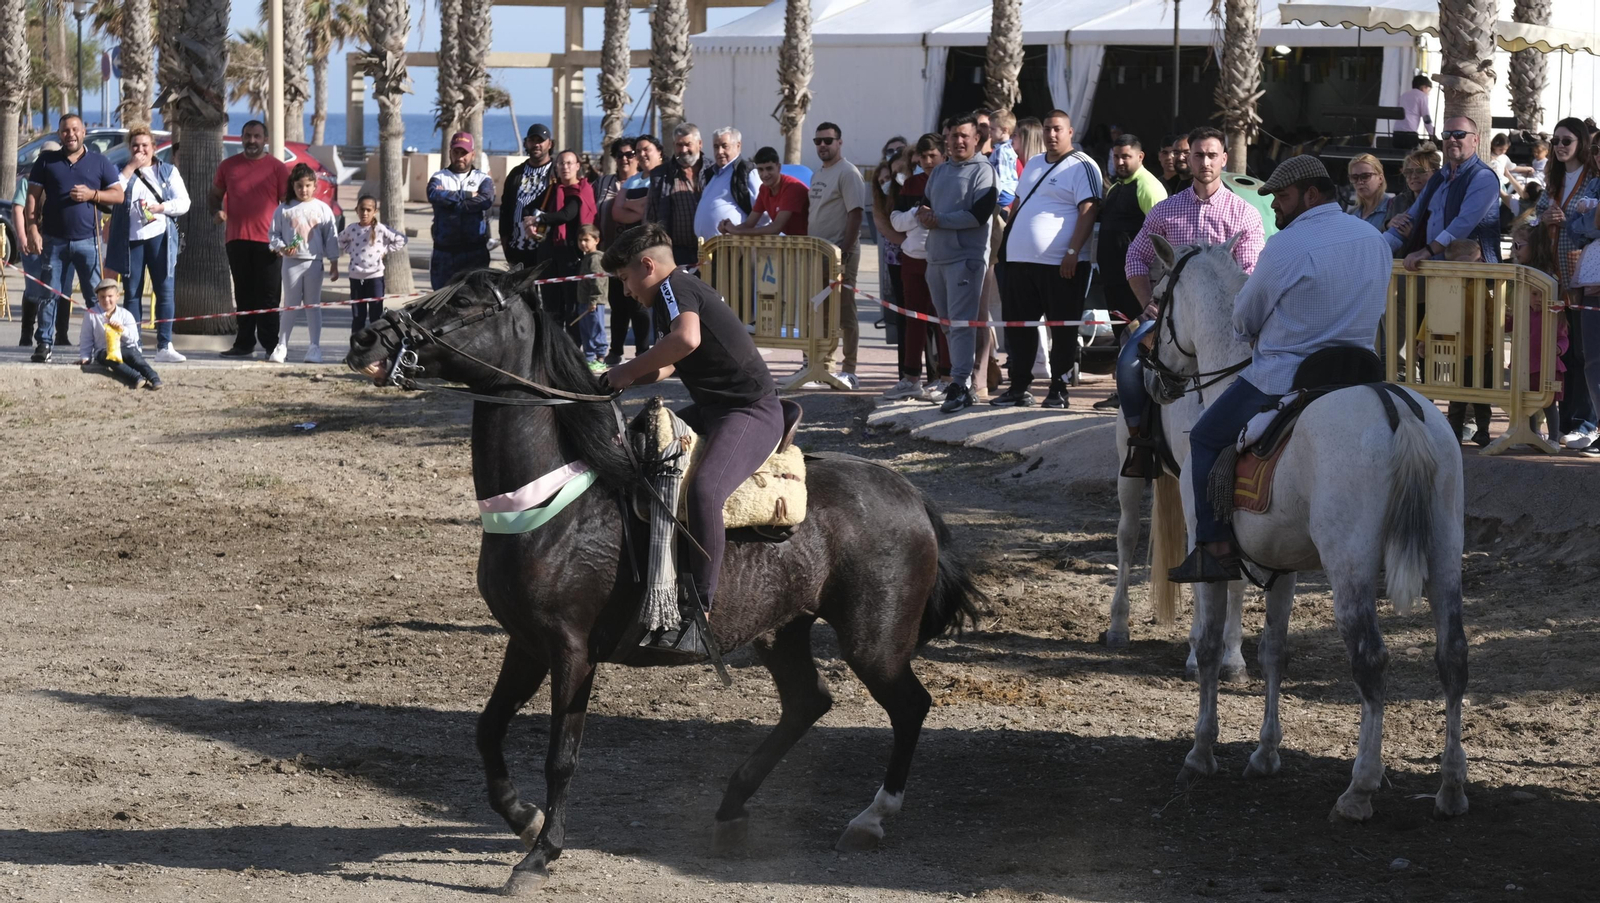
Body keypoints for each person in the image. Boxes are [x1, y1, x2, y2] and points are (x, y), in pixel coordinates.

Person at [1168, 156, 1392, 582]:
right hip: (1360, 375)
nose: (1275, 208)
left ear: (1311, 194)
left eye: (1283, 198)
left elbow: (1243, 318)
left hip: (1286, 378)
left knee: (1205, 437)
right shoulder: (1372, 238)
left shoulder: (1286, 246)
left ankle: (1213, 548)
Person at [600, 222, 782, 657]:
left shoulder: (672, 289)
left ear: (647, 265)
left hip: (748, 411)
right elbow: (673, 362)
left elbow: (686, 339)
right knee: (638, 447)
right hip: (716, 409)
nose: (625, 291)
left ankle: (700, 613)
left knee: (705, 492)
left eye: (625, 278)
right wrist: (615, 381)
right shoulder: (674, 291)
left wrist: (623, 372)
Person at [991, 109, 1103, 410]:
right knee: (1019, 327)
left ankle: (1059, 389)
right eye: (1047, 129)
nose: (1051, 134)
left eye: (1057, 129)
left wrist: (1072, 252)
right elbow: (1017, 203)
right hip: (1018, 263)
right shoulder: (1034, 164)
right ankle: (1019, 387)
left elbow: (1089, 210)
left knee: (1062, 330)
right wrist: (1005, 249)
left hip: (1061, 266)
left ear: (1071, 132)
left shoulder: (1083, 165)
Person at [1125, 127, 1265, 320]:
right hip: (1173, 319)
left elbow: (1251, 272)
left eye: (1212, 155)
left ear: (1224, 159)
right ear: (1189, 159)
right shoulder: (1165, 210)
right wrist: (1147, 302)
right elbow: (1135, 257)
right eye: (1198, 155)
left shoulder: (1245, 214)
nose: (1205, 163)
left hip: (1224, 319)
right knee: (1131, 346)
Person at [25, 114, 126, 363]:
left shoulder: (99, 162)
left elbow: (118, 195)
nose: (70, 134)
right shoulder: (46, 161)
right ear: (59, 134)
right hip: (53, 240)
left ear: (83, 133)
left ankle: (102, 346)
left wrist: (93, 194)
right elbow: (32, 197)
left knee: (96, 297)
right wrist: (32, 229)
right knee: (50, 294)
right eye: (65, 130)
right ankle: (44, 344)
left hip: (88, 242)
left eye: (75, 130)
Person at [919, 114, 998, 414]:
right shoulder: (938, 173)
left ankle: (962, 383)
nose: (959, 141)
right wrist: (924, 214)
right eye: (954, 136)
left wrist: (939, 220)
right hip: (935, 259)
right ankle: (959, 381)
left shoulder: (984, 172)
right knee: (948, 325)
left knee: (962, 324)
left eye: (965, 135)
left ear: (977, 138)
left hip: (965, 261)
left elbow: (978, 216)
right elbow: (924, 205)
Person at [1533, 118, 1600, 446]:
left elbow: (1591, 224)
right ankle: (1566, 422)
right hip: (1554, 273)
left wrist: (1569, 220)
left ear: (1581, 143)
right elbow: (1534, 215)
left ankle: (1585, 422)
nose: (1559, 146)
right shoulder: (1553, 179)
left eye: (1566, 140)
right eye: (1556, 140)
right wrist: (1543, 218)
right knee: (1563, 351)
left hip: (1583, 276)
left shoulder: (1593, 179)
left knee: (1584, 352)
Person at [1091, 134, 1168, 410]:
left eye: (1126, 156)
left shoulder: (1149, 187)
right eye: (1116, 157)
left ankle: (1147, 396)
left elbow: (1162, 239)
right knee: (1123, 337)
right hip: (1115, 282)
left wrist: (1151, 288)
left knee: (1142, 340)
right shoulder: (1115, 188)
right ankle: (1123, 391)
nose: (1120, 162)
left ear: (1140, 156)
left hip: (1139, 284)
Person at [106, 126, 189, 363]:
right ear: (129, 148)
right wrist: (130, 167)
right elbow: (113, 193)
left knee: (164, 290)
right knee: (132, 292)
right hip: (130, 240)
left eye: (145, 145)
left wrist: (161, 208)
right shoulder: (121, 171)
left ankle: (165, 345)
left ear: (153, 147)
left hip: (160, 236)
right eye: (135, 146)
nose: (140, 150)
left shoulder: (167, 171)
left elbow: (184, 202)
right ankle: (134, 344)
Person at [212, 119, 288, 359]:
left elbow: (288, 206)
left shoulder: (277, 168)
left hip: (269, 243)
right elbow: (214, 195)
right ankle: (244, 344)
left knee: (268, 296)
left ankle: (271, 346)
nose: (251, 141)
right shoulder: (228, 166)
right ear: (242, 138)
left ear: (265, 140)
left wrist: (288, 241)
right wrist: (216, 211)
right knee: (244, 295)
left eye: (256, 136)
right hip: (236, 240)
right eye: (247, 136)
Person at [1384, 116, 1503, 269]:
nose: (1452, 139)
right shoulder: (1438, 178)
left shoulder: (1483, 177)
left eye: (1459, 134)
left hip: (1473, 273)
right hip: (1436, 270)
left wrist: (1425, 252)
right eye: (1446, 135)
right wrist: (1376, 250)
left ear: (1475, 140)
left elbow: (1462, 224)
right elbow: (1410, 217)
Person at [889, 134, 954, 401]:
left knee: (944, 322)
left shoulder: (952, 181)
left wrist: (931, 217)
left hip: (942, 260)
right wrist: (917, 214)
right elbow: (896, 221)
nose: (927, 162)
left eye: (932, 156)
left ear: (944, 155)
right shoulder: (911, 184)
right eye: (923, 157)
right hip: (912, 260)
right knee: (913, 320)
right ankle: (911, 379)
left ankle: (948, 379)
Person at [808, 121, 868, 388]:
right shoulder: (818, 174)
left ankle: (850, 368)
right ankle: (824, 368)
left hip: (841, 254)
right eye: (818, 141)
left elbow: (856, 213)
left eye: (828, 141)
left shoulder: (848, 173)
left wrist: (844, 251)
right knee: (821, 311)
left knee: (845, 313)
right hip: (818, 254)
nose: (822, 145)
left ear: (839, 142)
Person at [269, 163, 340, 363]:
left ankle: (314, 348)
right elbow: (273, 234)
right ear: (293, 185)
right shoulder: (283, 209)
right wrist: (282, 247)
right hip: (291, 263)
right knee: (290, 305)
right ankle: (281, 346)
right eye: (300, 186)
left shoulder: (322, 209)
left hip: (314, 263)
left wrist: (334, 262)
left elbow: (331, 237)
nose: (304, 190)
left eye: (308, 185)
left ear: (315, 185)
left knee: (312, 305)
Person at [530, 150, 598, 345]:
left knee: (573, 305)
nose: (565, 167)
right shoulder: (553, 190)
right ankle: (552, 347)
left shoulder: (581, 190)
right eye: (561, 163)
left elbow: (566, 214)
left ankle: (574, 348)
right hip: (549, 253)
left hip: (572, 255)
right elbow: (530, 207)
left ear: (578, 166)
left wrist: (540, 218)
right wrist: (530, 223)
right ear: (556, 167)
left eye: (569, 163)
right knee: (551, 306)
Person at [1509, 221, 1566, 445]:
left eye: (1518, 245)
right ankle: (1530, 434)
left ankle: (1552, 436)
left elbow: (1562, 334)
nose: (1514, 250)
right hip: (1525, 360)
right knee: (1526, 401)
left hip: (1546, 363)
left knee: (1548, 401)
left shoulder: (1547, 282)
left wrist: (1559, 348)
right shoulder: (1521, 277)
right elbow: (1511, 322)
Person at [598, 137, 652, 364]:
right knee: (617, 304)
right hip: (611, 253)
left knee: (638, 305)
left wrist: (626, 206)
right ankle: (615, 351)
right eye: (619, 155)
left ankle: (642, 352)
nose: (625, 159)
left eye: (630, 154)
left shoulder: (645, 182)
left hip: (639, 254)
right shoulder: (602, 183)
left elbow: (643, 211)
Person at [426, 130, 495, 288]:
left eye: (464, 153)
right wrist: (468, 195)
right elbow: (433, 194)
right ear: (450, 152)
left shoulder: (482, 178)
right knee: (441, 304)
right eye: (456, 152)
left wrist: (450, 202)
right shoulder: (439, 177)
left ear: (473, 154)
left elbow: (486, 199)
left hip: (474, 254)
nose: (460, 157)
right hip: (444, 255)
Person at [338, 194, 408, 336]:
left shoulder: (380, 229)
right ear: (356, 210)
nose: (365, 213)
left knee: (376, 316)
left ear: (374, 211)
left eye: (368, 210)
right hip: (356, 277)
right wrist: (350, 250)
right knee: (358, 316)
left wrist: (385, 250)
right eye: (362, 209)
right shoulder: (352, 229)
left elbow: (401, 239)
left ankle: (376, 350)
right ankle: (356, 350)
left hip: (375, 277)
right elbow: (340, 240)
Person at [648, 123, 713, 266]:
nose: (683, 150)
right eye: (679, 145)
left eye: (688, 144)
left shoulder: (714, 172)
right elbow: (651, 215)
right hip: (677, 254)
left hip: (711, 250)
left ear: (700, 144)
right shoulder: (661, 175)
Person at [79, 278, 161, 390]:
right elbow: (86, 337)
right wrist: (85, 356)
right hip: (103, 351)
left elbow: (134, 339)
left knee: (134, 356)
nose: (106, 300)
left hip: (125, 348)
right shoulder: (91, 314)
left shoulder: (125, 314)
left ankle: (154, 378)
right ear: (97, 297)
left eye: (110, 296)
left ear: (117, 296)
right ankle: (136, 377)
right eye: (102, 297)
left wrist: (122, 330)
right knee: (111, 357)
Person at [499, 124, 554, 271]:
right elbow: (505, 210)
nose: (536, 144)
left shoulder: (557, 173)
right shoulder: (516, 173)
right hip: (517, 251)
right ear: (526, 143)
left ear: (550, 144)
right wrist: (505, 241)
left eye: (540, 140)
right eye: (532, 140)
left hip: (546, 251)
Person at [721, 146, 809, 236]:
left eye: (769, 168)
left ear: (778, 167)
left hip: (812, 243)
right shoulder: (764, 189)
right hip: (796, 242)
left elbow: (776, 228)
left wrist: (737, 231)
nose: (765, 174)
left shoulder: (791, 188)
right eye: (760, 169)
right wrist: (727, 228)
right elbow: (749, 224)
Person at [693, 127, 760, 241]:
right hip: (710, 250)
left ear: (738, 146)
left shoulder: (746, 171)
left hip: (735, 249)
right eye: (716, 147)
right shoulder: (712, 174)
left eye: (725, 146)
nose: (719, 152)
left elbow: (762, 212)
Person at [574, 223, 608, 372]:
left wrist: (593, 300)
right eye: (580, 240)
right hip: (584, 301)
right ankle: (589, 358)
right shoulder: (586, 257)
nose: (582, 243)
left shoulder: (595, 259)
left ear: (596, 240)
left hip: (593, 303)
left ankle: (600, 358)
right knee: (586, 331)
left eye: (586, 240)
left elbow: (598, 282)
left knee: (596, 330)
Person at [1387, 143, 1441, 231]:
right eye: (1408, 172)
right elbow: (1381, 231)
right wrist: (1388, 224)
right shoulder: (1398, 201)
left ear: (1435, 173)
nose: (1413, 176)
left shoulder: (1442, 200)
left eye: (1420, 171)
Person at [1346, 153, 1391, 230]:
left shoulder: (1393, 208)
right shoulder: (1351, 214)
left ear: (1380, 178)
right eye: (1354, 177)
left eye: (1365, 176)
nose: (1360, 182)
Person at [1394, 74, 1437, 152]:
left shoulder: (1403, 95)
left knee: (1398, 159)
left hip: (1396, 133)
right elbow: (1426, 117)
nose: (1428, 93)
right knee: (1412, 159)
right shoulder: (1422, 96)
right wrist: (1432, 133)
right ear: (1423, 87)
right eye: (1428, 90)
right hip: (1409, 134)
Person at [989, 109, 1019, 209]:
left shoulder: (1000, 151)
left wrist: (995, 195)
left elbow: (1000, 175)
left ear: (1004, 130)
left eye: (993, 129)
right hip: (1010, 191)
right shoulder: (1010, 148)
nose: (990, 132)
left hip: (1002, 193)